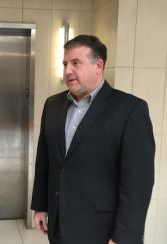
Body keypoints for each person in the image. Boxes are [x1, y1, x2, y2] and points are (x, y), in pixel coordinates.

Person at [31, 35, 155, 244]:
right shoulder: (52, 105)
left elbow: (138, 183)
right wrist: (40, 205)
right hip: (59, 226)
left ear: (99, 65)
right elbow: (45, 160)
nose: (67, 70)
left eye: (75, 63)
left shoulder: (130, 109)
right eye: (65, 64)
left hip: (101, 231)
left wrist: (123, 238)